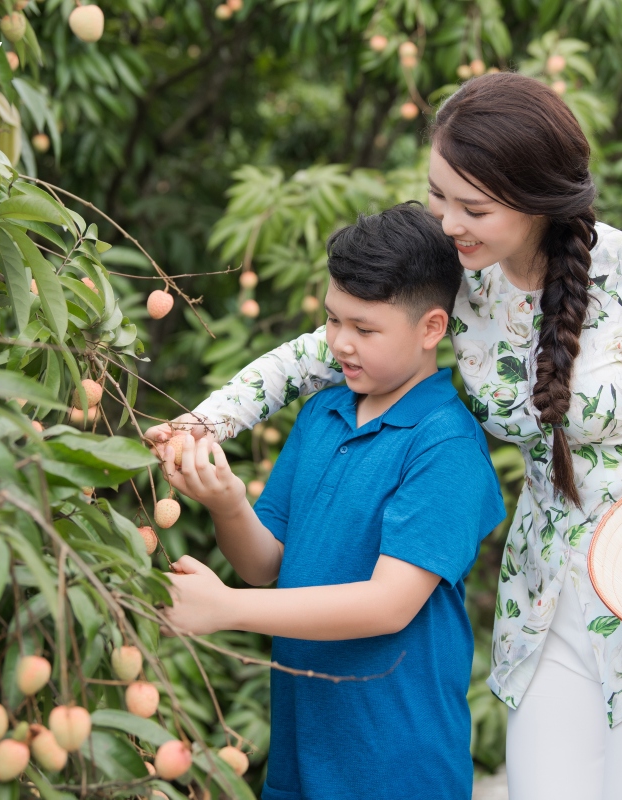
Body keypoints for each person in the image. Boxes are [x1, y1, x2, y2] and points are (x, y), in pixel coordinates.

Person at [148, 73, 622, 799]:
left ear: (536, 199)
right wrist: (206, 420)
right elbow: (318, 352)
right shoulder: (460, 280)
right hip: (542, 594)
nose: (448, 225)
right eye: (438, 197)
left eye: (472, 208)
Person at [159, 202, 506, 800]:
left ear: (431, 328)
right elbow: (265, 564)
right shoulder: (325, 410)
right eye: (333, 320)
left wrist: (225, 610)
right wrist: (227, 502)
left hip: (396, 767)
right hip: (302, 756)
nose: (341, 344)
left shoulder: (444, 443)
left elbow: (388, 605)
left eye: (365, 329)